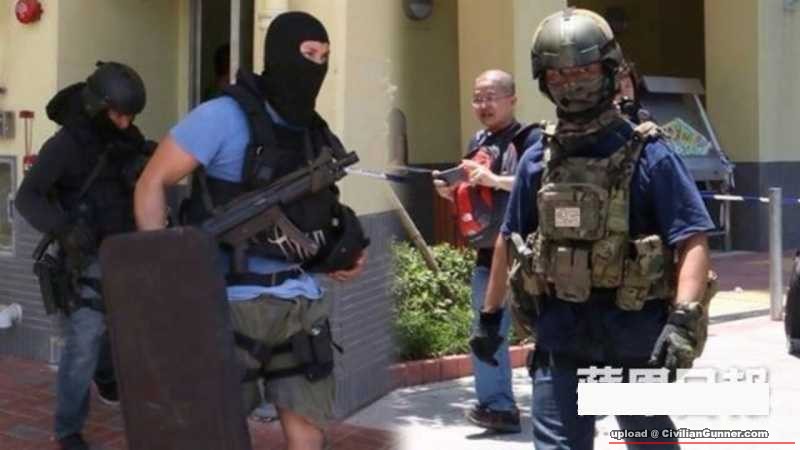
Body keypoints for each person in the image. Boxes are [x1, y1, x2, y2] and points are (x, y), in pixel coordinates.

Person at [470, 8, 715, 450]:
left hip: (632, 340)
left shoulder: (650, 154)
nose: (572, 83)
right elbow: (510, 238)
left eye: (582, 70)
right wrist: (489, 319)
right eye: (559, 74)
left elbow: (691, 238)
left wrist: (682, 320)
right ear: (544, 80)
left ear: (608, 70)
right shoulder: (537, 159)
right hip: (561, 340)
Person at [134, 11, 368, 450]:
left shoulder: (313, 131)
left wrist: (343, 250)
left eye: (324, 57)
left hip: (302, 305)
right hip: (228, 306)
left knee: (309, 436)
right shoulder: (222, 116)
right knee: (211, 434)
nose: (316, 66)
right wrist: (161, 269)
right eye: (308, 54)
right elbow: (152, 181)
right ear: (280, 53)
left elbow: (319, 210)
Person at [16, 61, 152, 450]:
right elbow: (27, 197)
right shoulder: (67, 145)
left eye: (131, 116)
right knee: (85, 340)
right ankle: (68, 429)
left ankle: (107, 376)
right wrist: (63, 229)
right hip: (86, 253)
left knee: (128, 329)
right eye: (119, 114)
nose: (125, 123)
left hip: (127, 248)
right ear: (98, 106)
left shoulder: (127, 136)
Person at [433, 69, 539, 433]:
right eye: (477, 98)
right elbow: (475, 193)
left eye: (490, 97)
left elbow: (539, 184)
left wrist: (495, 180)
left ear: (512, 99)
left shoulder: (530, 139)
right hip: (487, 254)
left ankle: (571, 401)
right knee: (485, 331)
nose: (483, 105)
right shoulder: (478, 141)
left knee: (551, 329)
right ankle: (498, 408)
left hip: (527, 253)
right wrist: (450, 190)